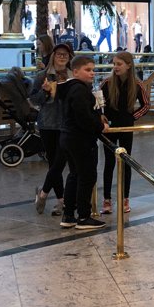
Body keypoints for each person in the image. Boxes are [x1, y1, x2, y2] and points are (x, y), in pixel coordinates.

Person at [58, 54, 109, 230]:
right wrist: (100, 126)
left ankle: (68, 214)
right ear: (75, 71)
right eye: (87, 70)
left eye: (93, 70)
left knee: (75, 174)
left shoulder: (70, 88)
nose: (92, 73)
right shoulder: (79, 90)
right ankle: (84, 216)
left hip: (69, 137)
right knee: (87, 176)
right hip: (80, 139)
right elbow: (83, 116)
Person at [100, 51, 150, 215]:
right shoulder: (107, 83)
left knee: (126, 162)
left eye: (119, 64)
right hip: (109, 128)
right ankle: (107, 199)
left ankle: (125, 198)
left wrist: (132, 117)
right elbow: (98, 102)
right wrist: (101, 117)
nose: (115, 67)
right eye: (114, 64)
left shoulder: (137, 84)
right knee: (109, 163)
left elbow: (146, 105)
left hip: (126, 127)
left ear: (129, 65)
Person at [31, 42, 73, 217]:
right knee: (54, 163)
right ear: (53, 56)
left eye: (65, 54)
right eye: (59, 54)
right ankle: (61, 201)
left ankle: (43, 193)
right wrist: (45, 91)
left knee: (59, 163)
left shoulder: (73, 76)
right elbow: (34, 99)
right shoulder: (42, 76)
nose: (62, 57)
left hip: (68, 125)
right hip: (48, 124)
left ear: (69, 57)